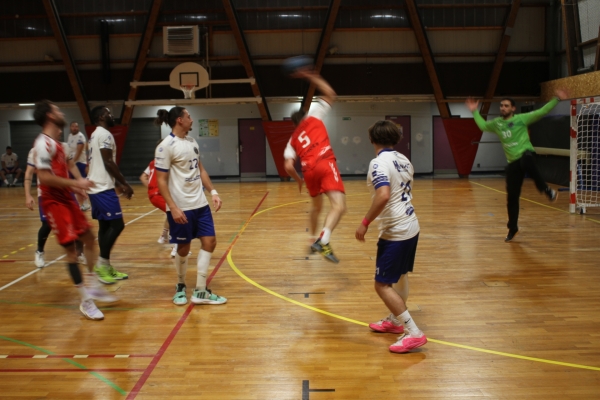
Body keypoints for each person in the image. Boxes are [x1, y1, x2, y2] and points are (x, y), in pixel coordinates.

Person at [32, 100, 117, 320]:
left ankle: (91, 282)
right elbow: (43, 177)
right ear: (50, 116)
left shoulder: (60, 144)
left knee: (89, 239)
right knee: (71, 253)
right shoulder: (42, 144)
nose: (60, 112)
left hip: (67, 198)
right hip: (53, 201)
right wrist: (74, 185)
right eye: (56, 110)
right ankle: (86, 301)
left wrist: (81, 184)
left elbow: (70, 166)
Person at [355, 120, 427, 354]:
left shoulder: (378, 163)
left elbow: (383, 194)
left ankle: (413, 332)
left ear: (372, 140)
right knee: (401, 276)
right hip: (411, 225)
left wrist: (365, 222)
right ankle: (395, 322)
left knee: (382, 285)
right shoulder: (404, 160)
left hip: (395, 231)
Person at [466, 88, 568, 242]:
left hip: (526, 155)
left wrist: (556, 99)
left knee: (526, 159)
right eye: (501, 106)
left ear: (513, 108)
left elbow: (541, 112)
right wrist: (474, 112)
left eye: (506, 106)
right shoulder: (497, 124)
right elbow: (482, 126)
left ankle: (546, 190)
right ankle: (512, 228)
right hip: (513, 163)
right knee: (512, 198)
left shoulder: (521, 119)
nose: (503, 108)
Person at [154, 106, 226, 306]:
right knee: (183, 248)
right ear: (179, 120)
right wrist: (173, 207)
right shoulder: (165, 146)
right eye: (188, 116)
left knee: (210, 242)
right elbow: (161, 181)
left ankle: (200, 291)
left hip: (200, 204)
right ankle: (180, 285)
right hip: (181, 206)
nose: (192, 120)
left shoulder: (193, 142)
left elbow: (201, 169)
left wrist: (213, 191)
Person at [283, 69, 346, 263]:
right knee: (339, 206)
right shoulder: (314, 116)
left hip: (308, 171)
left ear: (294, 124)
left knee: (317, 207)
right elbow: (330, 93)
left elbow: (288, 166)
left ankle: (313, 239)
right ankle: (323, 240)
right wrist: (311, 77)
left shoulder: (292, 139)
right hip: (324, 162)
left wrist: (298, 180)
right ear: (304, 115)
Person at [87, 106, 133, 283]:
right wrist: (124, 183)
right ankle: (101, 265)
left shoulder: (95, 134)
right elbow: (107, 161)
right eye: (108, 112)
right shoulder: (104, 134)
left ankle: (105, 266)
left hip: (97, 186)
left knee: (105, 227)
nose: (112, 115)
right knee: (117, 225)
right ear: (100, 117)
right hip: (101, 188)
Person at [140, 158, 191, 257]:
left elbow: (143, 177)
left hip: (154, 194)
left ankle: (164, 236)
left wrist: (151, 188)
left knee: (171, 214)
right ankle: (175, 248)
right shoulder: (166, 161)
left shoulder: (152, 162)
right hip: (158, 194)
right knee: (177, 215)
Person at [24, 148, 51, 268]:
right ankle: (39, 251)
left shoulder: (62, 147)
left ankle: (79, 253)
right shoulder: (35, 150)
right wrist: (28, 195)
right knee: (47, 224)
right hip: (45, 193)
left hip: (62, 192)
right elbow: (29, 172)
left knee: (73, 222)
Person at [67, 121, 90, 211]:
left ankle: (86, 204)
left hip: (79, 163)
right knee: (73, 184)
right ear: (70, 127)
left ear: (78, 128)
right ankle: (77, 204)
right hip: (73, 163)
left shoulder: (80, 136)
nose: (74, 128)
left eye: (76, 126)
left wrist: (71, 162)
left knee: (80, 183)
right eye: (73, 126)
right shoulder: (69, 136)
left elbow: (78, 152)